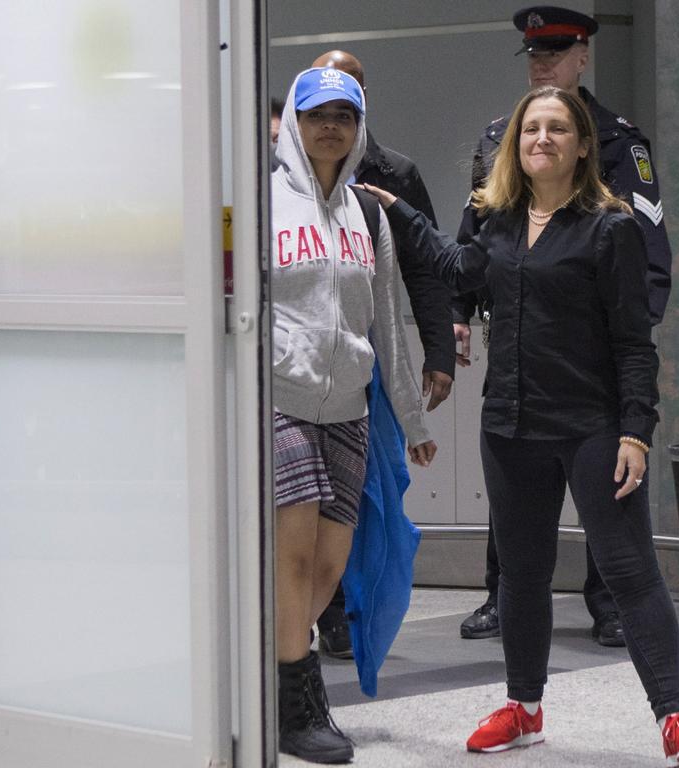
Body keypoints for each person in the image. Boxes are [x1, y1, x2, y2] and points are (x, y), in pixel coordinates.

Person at [358, 85, 679, 765]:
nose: (541, 140)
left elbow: (633, 343)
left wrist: (635, 432)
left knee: (628, 571)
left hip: (592, 427)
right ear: (514, 147)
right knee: (521, 575)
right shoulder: (493, 221)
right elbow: (454, 267)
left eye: (556, 130)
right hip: (510, 426)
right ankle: (522, 710)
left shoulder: (610, 229)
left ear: (582, 145)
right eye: (529, 131)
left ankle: (673, 718)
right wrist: (401, 212)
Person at [456, 4, 674, 648]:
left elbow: (649, 248)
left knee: (603, 480)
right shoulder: (502, 136)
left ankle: (608, 603)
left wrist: (629, 333)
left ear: (583, 55)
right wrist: (457, 314)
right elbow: (476, 238)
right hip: (518, 337)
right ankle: (504, 594)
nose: (541, 63)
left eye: (554, 51)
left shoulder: (618, 141)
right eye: (533, 54)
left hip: (593, 345)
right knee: (514, 458)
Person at [271, 67, 437, 763]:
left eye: (343, 115)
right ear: (293, 124)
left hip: (346, 406)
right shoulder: (259, 203)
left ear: (358, 125)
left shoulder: (370, 214)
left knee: (331, 568)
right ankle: (298, 702)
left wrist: (412, 417)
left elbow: (389, 324)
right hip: (278, 401)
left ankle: (269, 661)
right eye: (316, 115)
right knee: (296, 549)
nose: (329, 126)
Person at [308, 49, 456, 661]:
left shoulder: (392, 174)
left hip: (368, 358)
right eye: (323, 103)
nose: (334, 116)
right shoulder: (278, 178)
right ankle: (314, 613)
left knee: (366, 492)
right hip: (300, 364)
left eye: (350, 100)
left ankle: (350, 612)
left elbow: (424, 271)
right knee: (307, 497)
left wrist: (439, 351)